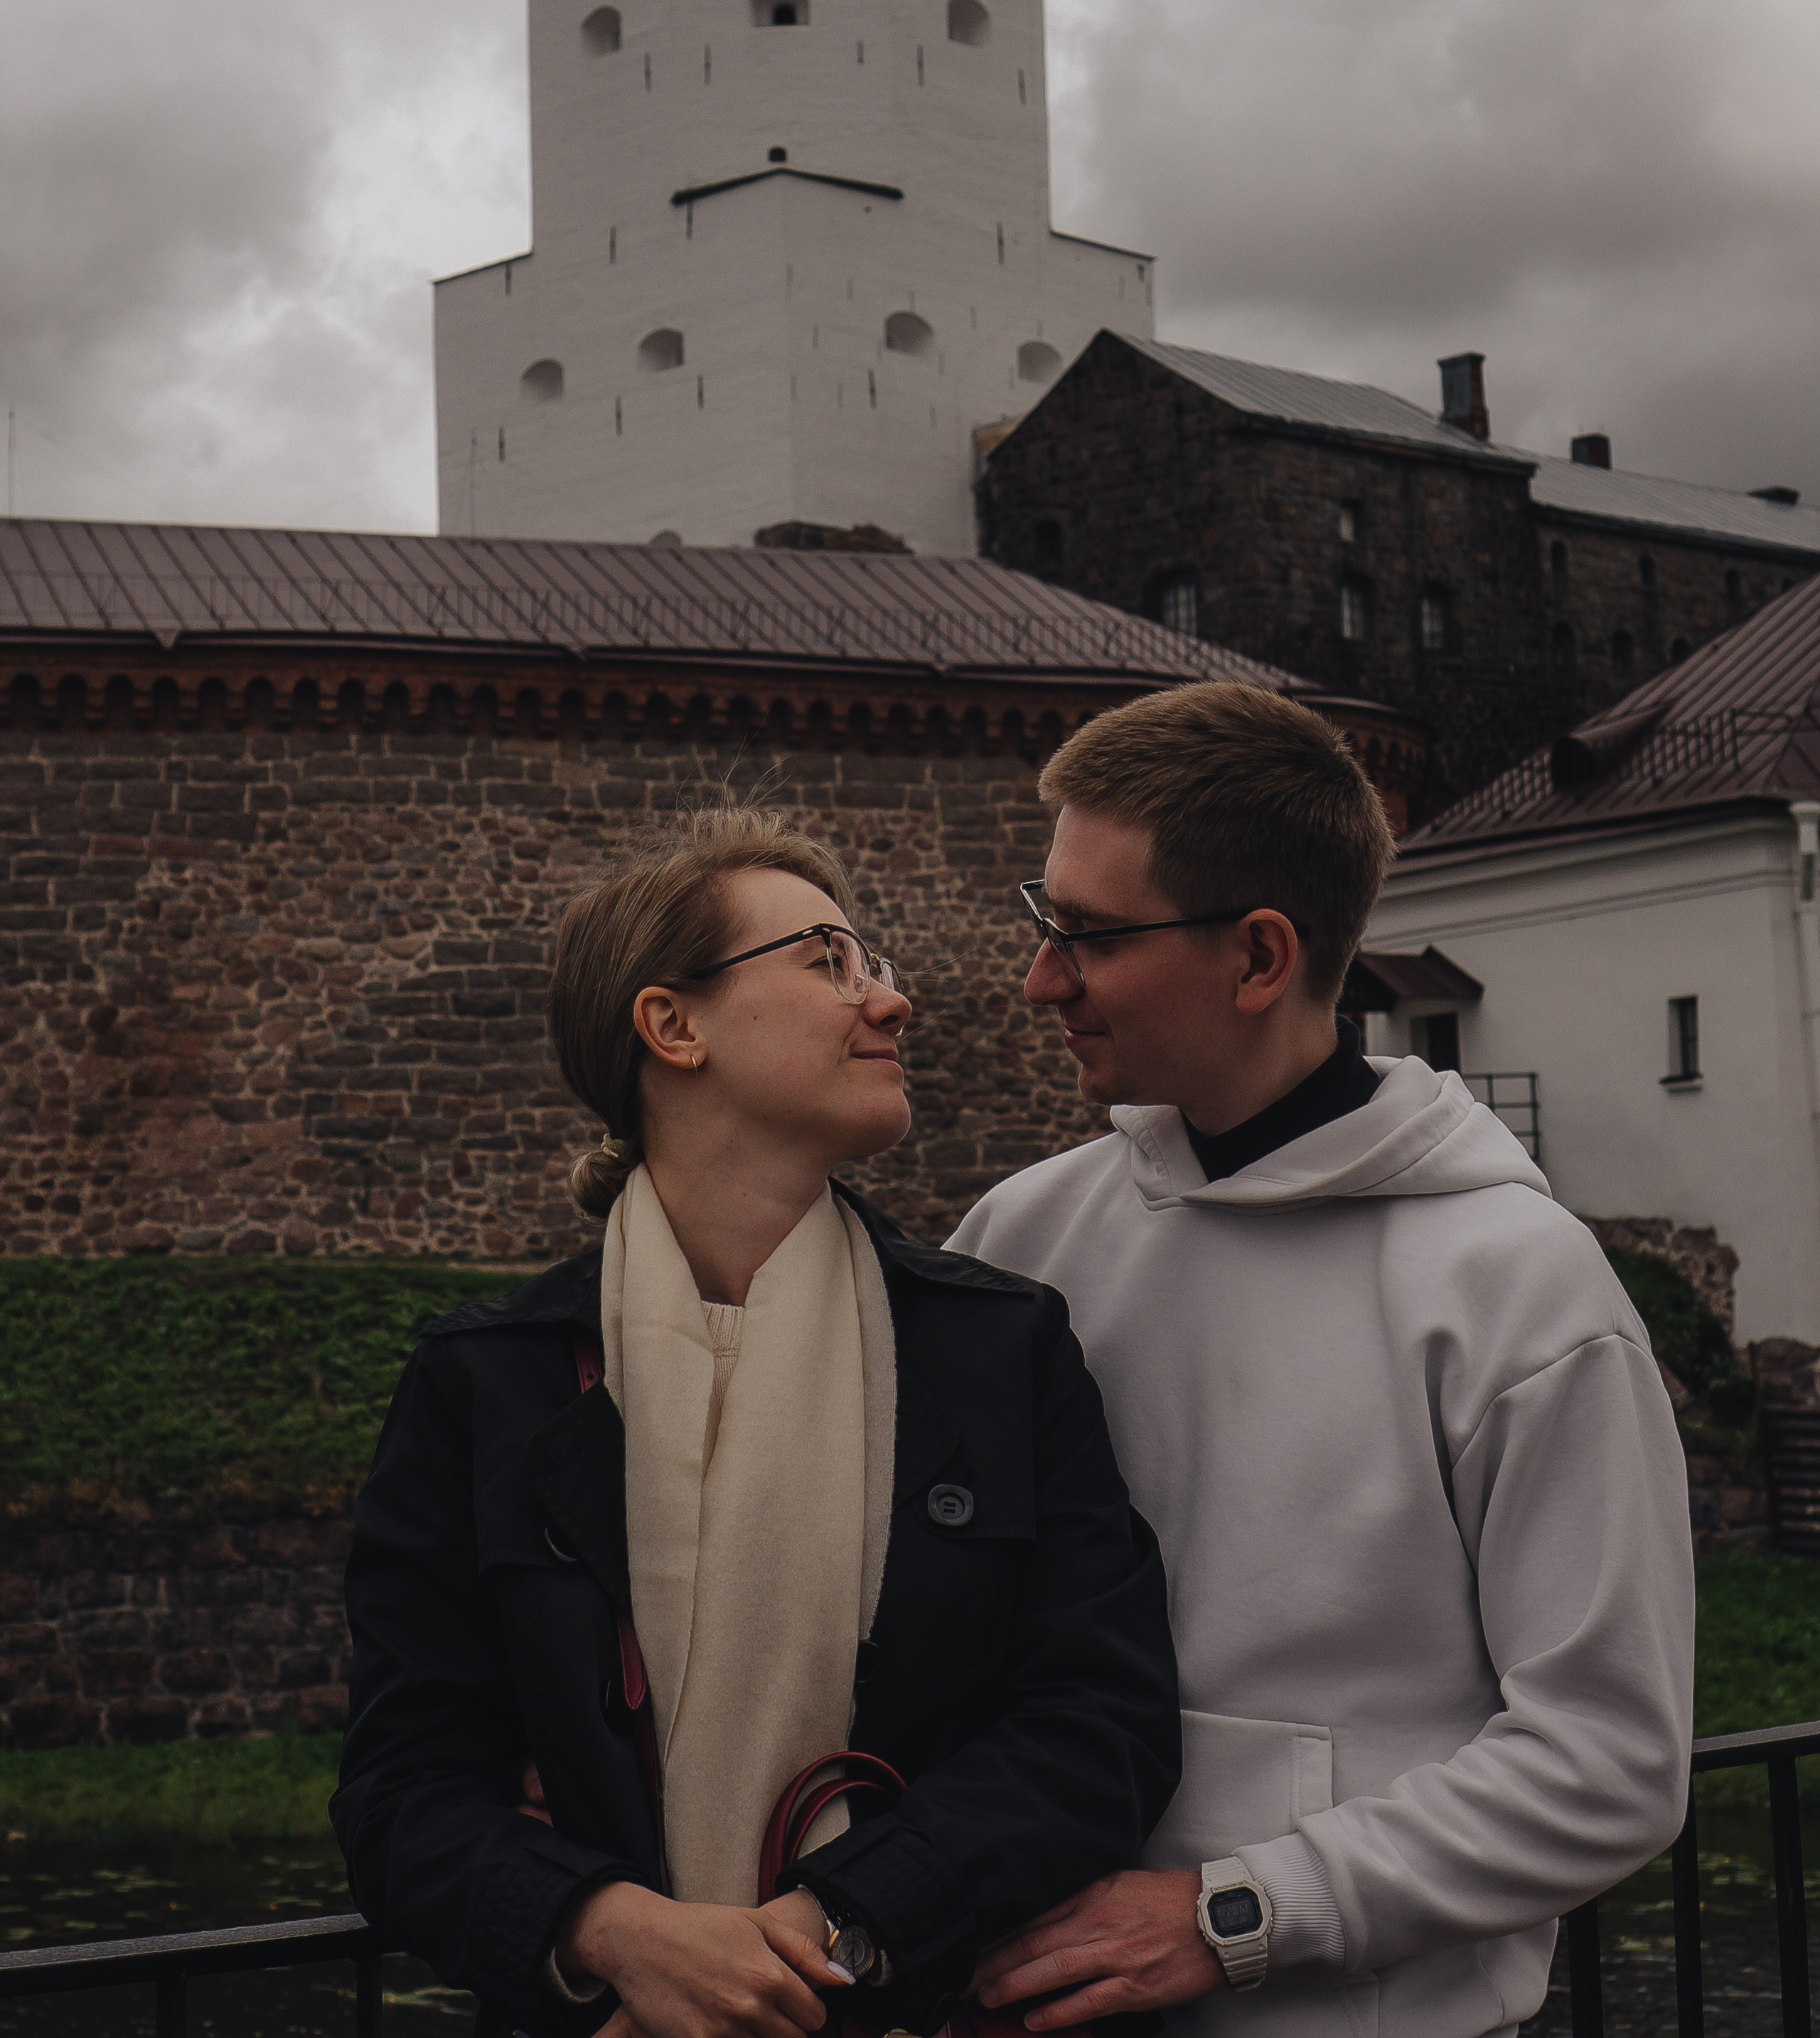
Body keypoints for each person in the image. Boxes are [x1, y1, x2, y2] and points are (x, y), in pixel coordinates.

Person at [332, 805, 1181, 2038]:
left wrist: (835, 1926)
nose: (889, 1003)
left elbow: (1101, 1730)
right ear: (673, 1027)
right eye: (827, 961)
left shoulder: (998, 1348)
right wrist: (616, 1934)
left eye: (873, 965)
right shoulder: (489, 1386)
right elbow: (402, 1795)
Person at [951, 682, 1694, 2038]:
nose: (1039, 977)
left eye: (1091, 938)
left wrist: (1242, 1913)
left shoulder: (1518, 1289)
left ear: (1259, 957)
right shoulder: (1023, 1234)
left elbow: (1610, 1762)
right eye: (1042, 920)